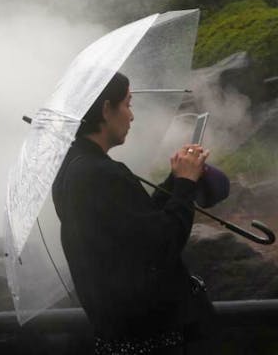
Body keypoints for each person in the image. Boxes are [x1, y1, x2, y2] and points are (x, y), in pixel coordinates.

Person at [53, 72, 227, 355]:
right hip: (150, 339)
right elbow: (163, 242)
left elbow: (135, 225)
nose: (132, 116)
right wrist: (184, 187)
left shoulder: (73, 168)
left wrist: (175, 179)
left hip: (117, 333)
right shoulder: (100, 174)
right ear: (107, 109)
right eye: (128, 104)